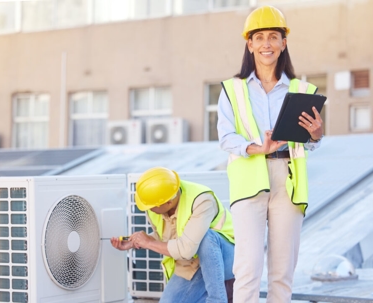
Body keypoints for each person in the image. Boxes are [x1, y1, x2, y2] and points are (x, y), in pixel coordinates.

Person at [217, 5, 324, 303]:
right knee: (248, 270)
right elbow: (226, 137)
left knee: (282, 273)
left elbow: (311, 142)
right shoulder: (232, 89)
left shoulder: (303, 89)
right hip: (249, 180)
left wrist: (316, 134)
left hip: (287, 182)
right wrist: (256, 148)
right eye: (259, 37)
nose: (267, 44)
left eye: (273, 37)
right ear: (249, 44)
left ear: (283, 43)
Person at [111, 167, 235, 303]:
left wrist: (149, 243)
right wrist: (136, 241)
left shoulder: (202, 200)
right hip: (193, 264)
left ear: (168, 202)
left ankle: (217, 300)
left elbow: (186, 249)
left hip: (227, 258)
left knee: (207, 238)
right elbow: (167, 237)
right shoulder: (157, 206)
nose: (147, 209)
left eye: (151, 206)